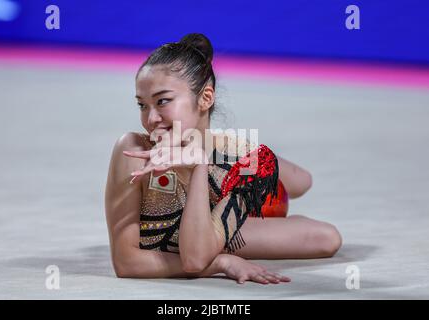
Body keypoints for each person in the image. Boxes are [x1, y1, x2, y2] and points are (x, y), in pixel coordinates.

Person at [104, 33, 342, 285]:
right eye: (142, 105)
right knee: (319, 232)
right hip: (210, 234)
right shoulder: (132, 149)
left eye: (163, 101)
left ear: (206, 98)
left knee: (316, 216)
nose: (150, 119)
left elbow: (326, 234)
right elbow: (132, 262)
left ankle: (226, 147)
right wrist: (219, 262)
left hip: (220, 202)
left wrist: (201, 161)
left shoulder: (238, 164)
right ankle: (218, 146)